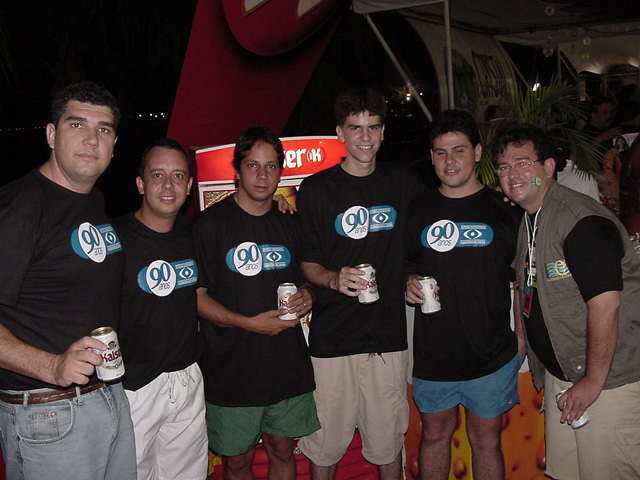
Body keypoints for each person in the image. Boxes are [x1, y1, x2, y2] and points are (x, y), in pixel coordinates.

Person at [0, 81, 136, 479]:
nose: (92, 139)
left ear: (114, 145)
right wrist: (51, 365)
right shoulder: (19, 208)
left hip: (105, 393)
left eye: (104, 129)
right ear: (51, 134)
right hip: (49, 411)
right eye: (77, 125)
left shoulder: (92, 199)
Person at [494, 124, 640, 480]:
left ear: (548, 167)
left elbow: (605, 305)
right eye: (504, 166)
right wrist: (523, 341)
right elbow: (526, 285)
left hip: (609, 383)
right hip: (565, 378)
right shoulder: (530, 220)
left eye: (522, 163)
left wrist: (591, 381)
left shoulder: (581, 222)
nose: (512, 174)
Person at [296, 88, 424, 480]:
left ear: (383, 132)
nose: (365, 137)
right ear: (340, 132)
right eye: (355, 128)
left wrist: (411, 277)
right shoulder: (316, 189)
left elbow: (421, 242)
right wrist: (333, 278)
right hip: (332, 340)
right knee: (324, 448)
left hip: (386, 339)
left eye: (373, 127)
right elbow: (307, 262)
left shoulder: (404, 185)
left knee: (388, 446)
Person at [194, 126, 319, 480]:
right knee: (237, 461)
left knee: (283, 449)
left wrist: (310, 294)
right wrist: (249, 323)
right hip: (230, 368)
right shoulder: (208, 225)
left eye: (270, 166)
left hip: (286, 364)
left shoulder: (291, 222)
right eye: (253, 165)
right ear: (237, 170)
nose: (262, 176)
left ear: (280, 171)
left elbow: (312, 275)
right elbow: (196, 299)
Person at [404, 110, 523, 480]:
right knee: (434, 436)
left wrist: (522, 337)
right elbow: (403, 265)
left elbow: (523, 279)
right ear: (431, 157)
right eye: (441, 152)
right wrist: (408, 280)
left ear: (477, 152)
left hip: (491, 353)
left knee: (486, 441)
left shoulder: (504, 209)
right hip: (434, 353)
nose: (450, 161)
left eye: (459, 150)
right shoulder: (417, 209)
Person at [113, 139, 208, 479]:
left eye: (178, 175)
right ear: (140, 184)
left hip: (186, 377)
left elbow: (240, 218)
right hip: (132, 386)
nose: (168, 185)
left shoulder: (196, 233)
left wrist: (278, 204)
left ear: (190, 185)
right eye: (158, 175)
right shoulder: (112, 238)